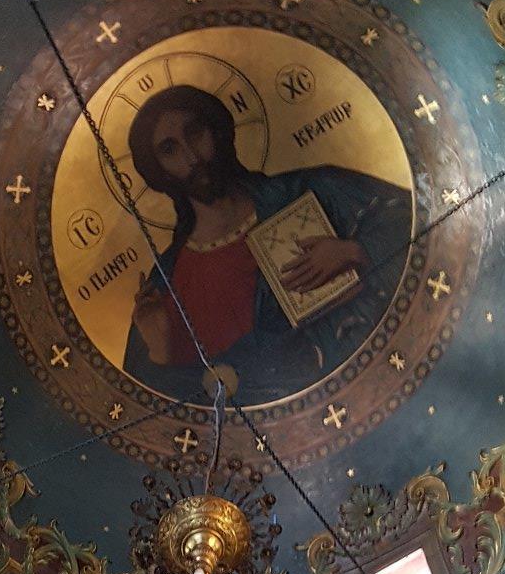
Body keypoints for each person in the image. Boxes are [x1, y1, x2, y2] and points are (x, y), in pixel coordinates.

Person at [123, 84, 412, 397]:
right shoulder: (165, 287)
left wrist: (356, 251)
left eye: (195, 133)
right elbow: (162, 409)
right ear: (159, 171)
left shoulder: (310, 189)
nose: (191, 157)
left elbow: (416, 219)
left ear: (216, 132)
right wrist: (160, 354)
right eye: (170, 150)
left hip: (386, 373)